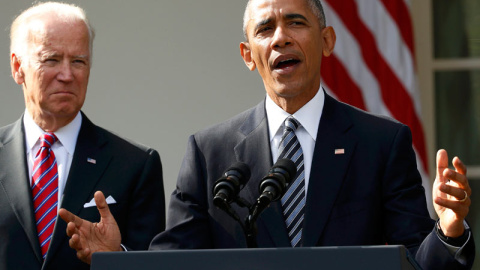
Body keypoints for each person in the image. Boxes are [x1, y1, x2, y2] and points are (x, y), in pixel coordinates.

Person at [60, 0, 475, 269]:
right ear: (247, 55)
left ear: (327, 40)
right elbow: (174, 264)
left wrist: (449, 228)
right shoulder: (209, 152)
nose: (280, 38)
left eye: (296, 22)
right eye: (265, 29)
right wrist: (117, 259)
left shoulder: (382, 143)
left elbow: (421, 264)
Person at [0, 2, 165, 269]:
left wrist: (116, 258)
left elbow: (153, 261)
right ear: (18, 67)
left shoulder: (135, 165)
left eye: (78, 61)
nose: (67, 75)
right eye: (51, 59)